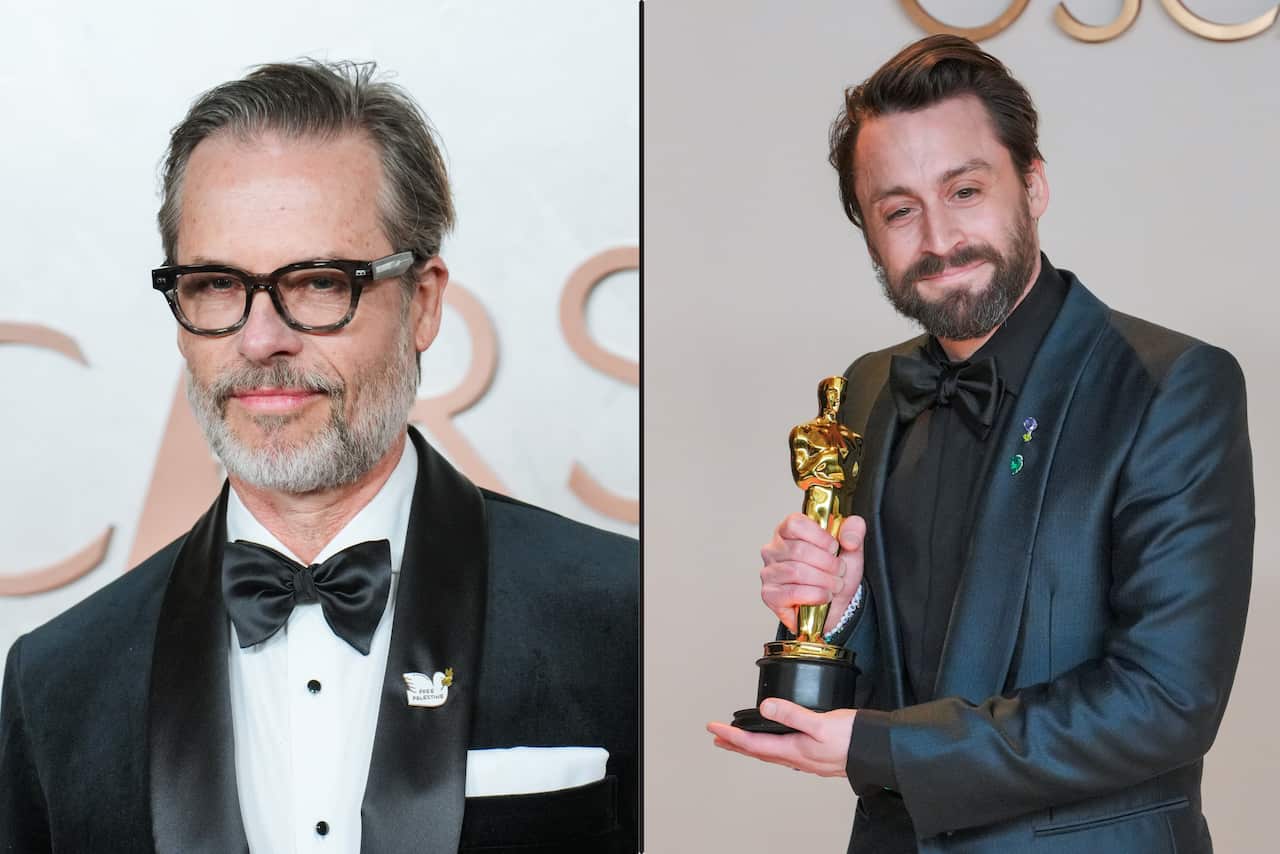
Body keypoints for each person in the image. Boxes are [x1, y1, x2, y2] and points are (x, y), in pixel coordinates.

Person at [0, 61, 637, 854]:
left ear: (425, 303)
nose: (262, 339)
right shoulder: (58, 679)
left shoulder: (623, 614)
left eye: (319, 282)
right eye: (215, 285)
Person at [708, 34, 1253, 853]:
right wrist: (835, 609)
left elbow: (1167, 703)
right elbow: (900, 671)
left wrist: (880, 747)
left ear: (1032, 184)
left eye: (964, 190)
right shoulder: (866, 387)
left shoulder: (1171, 385)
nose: (938, 238)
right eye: (898, 210)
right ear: (867, 231)